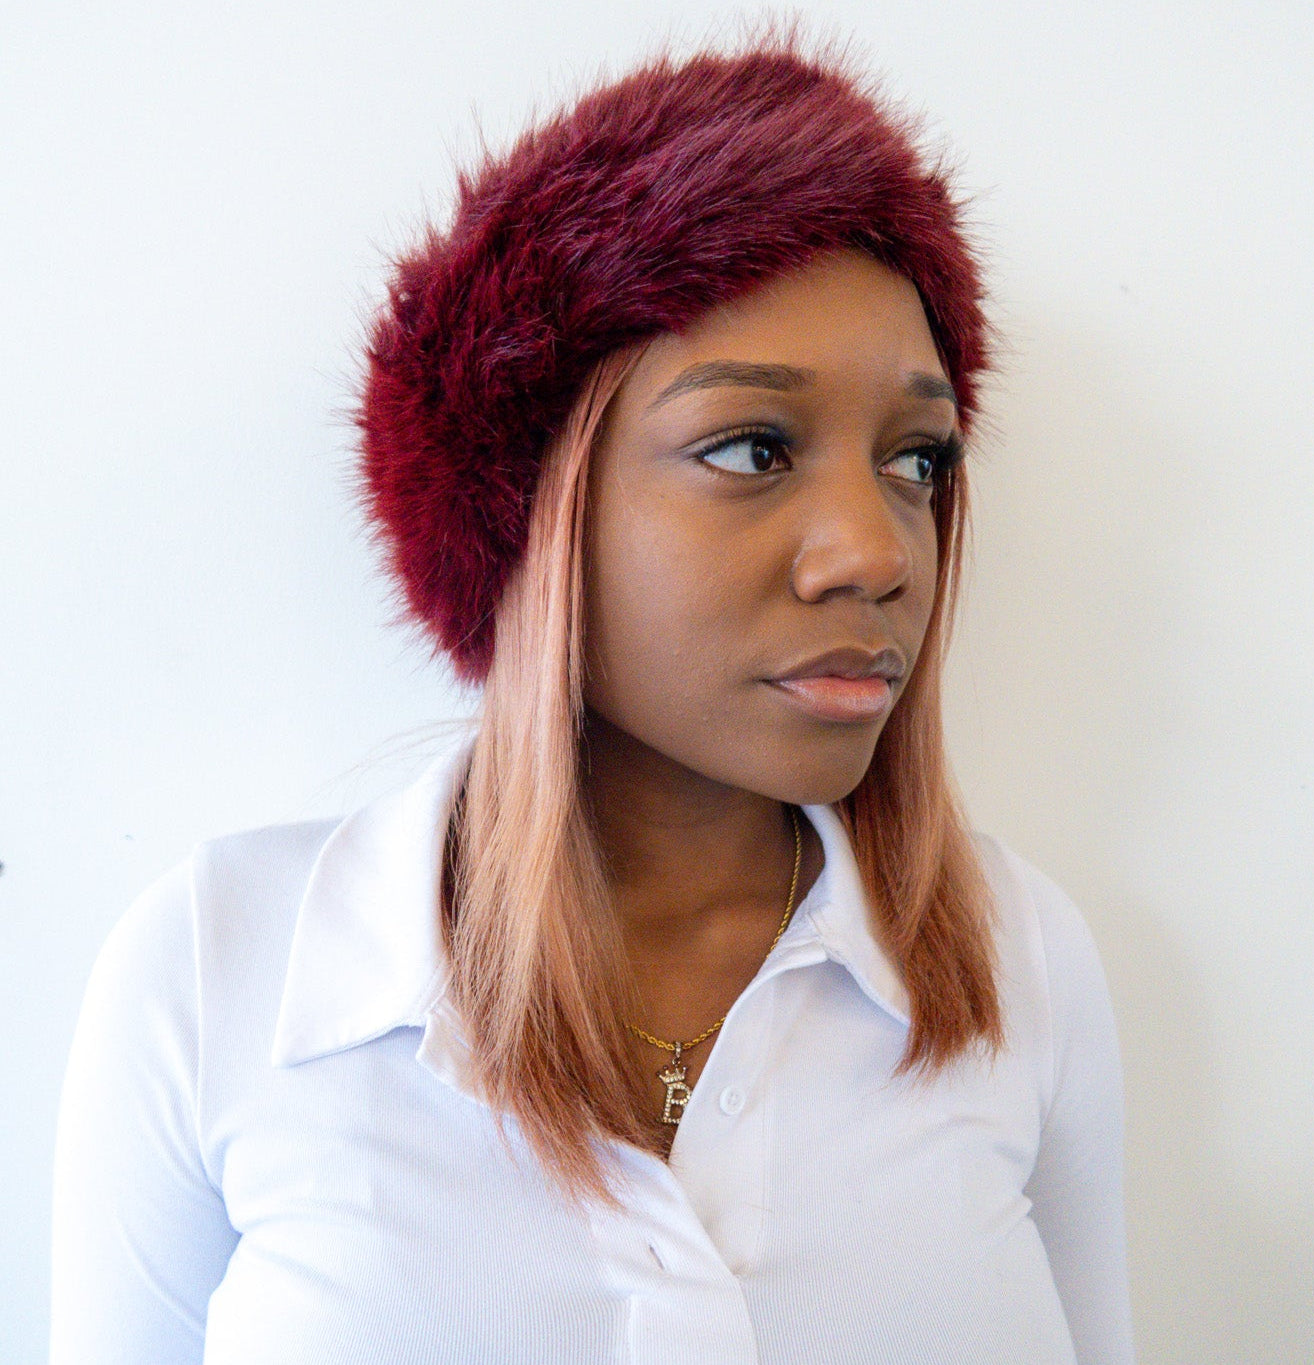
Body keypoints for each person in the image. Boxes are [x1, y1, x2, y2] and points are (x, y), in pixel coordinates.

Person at [50, 24, 1136, 1365]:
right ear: (525, 511)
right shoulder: (225, 974)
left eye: (916, 459)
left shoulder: (1015, 960)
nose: (877, 549)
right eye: (752, 445)